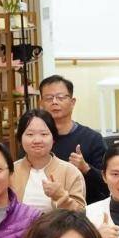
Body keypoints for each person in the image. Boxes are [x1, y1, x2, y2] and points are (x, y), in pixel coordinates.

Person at [39, 74, 107, 204]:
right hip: (42, 209)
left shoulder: (92, 138)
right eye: (49, 98)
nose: (54, 102)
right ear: (41, 103)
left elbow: (108, 183)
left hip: (84, 209)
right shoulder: (35, 141)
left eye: (60, 97)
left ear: (72, 102)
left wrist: (86, 168)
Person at [11, 108, 86, 212]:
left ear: (53, 138)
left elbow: (81, 214)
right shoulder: (10, 171)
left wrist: (61, 197)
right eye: (30, 134)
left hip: (60, 223)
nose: (37, 140)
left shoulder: (70, 172)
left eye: (44, 134)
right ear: (20, 138)